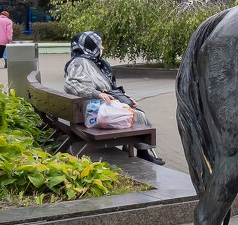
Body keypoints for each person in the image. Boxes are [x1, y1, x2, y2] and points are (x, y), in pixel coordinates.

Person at [63, 31, 164, 165]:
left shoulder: (92, 62)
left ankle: (143, 152)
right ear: (90, 46)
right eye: (100, 44)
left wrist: (125, 98)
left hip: (93, 107)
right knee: (138, 116)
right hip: (92, 111)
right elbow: (70, 84)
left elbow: (108, 88)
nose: (102, 47)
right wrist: (96, 93)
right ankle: (143, 154)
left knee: (134, 111)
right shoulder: (80, 62)